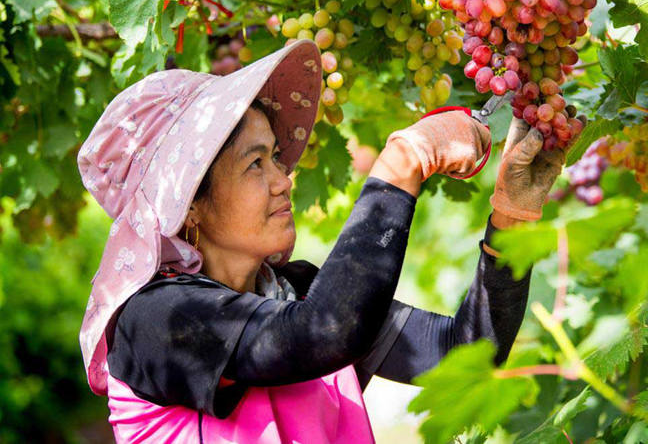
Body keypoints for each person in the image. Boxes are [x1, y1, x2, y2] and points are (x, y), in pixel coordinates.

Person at [77, 39, 566, 443]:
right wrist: (400, 165)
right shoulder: (155, 319)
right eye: (255, 164)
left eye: (275, 158)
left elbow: (464, 350)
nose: (282, 180)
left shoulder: (297, 293)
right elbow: (325, 332)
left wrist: (511, 217)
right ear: (190, 206)